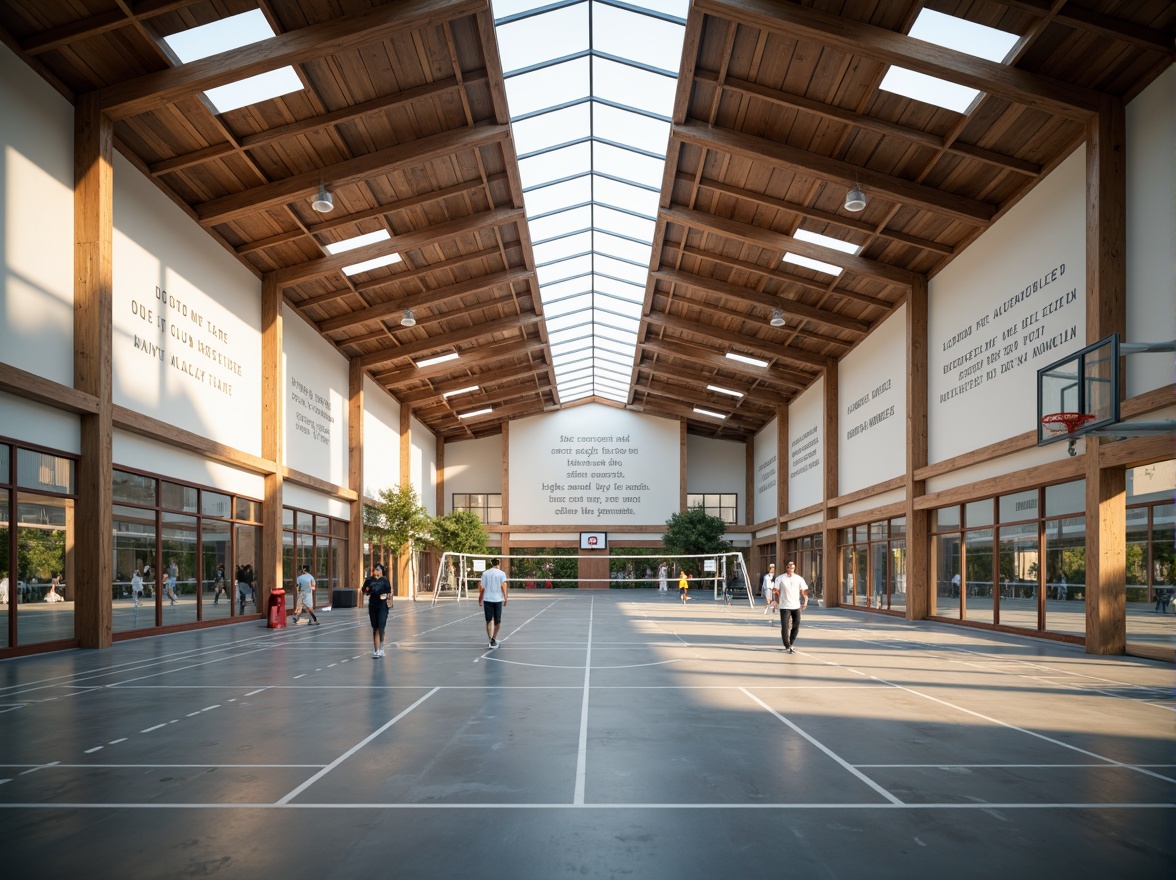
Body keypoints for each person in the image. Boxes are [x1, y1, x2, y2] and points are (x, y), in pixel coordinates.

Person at [774, 560, 809, 654]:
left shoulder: (799, 579)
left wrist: (805, 601)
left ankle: (791, 641)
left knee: (796, 624)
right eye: (790, 567)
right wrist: (775, 601)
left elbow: (804, 591)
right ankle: (787, 645)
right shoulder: (780, 578)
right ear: (786, 568)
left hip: (796, 605)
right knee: (785, 626)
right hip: (784, 605)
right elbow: (776, 591)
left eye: (793, 567)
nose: (792, 569)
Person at [363, 563, 392, 657]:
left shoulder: (385, 580)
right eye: (375, 569)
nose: (375, 571)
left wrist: (389, 600)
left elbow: (389, 592)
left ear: (381, 571)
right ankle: (376, 650)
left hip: (382, 606)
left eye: (377, 569)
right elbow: (365, 591)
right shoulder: (369, 580)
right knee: (375, 628)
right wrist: (367, 590)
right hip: (373, 605)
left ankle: (381, 648)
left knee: (381, 628)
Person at [478, 558, 508, 648]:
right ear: (499, 564)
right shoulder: (502, 573)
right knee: (497, 621)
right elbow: (504, 585)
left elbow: (482, 586)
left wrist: (480, 598)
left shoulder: (485, 573)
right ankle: (493, 638)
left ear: (491, 564)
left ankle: (490, 638)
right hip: (498, 599)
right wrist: (505, 597)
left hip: (487, 599)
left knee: (489, 620)